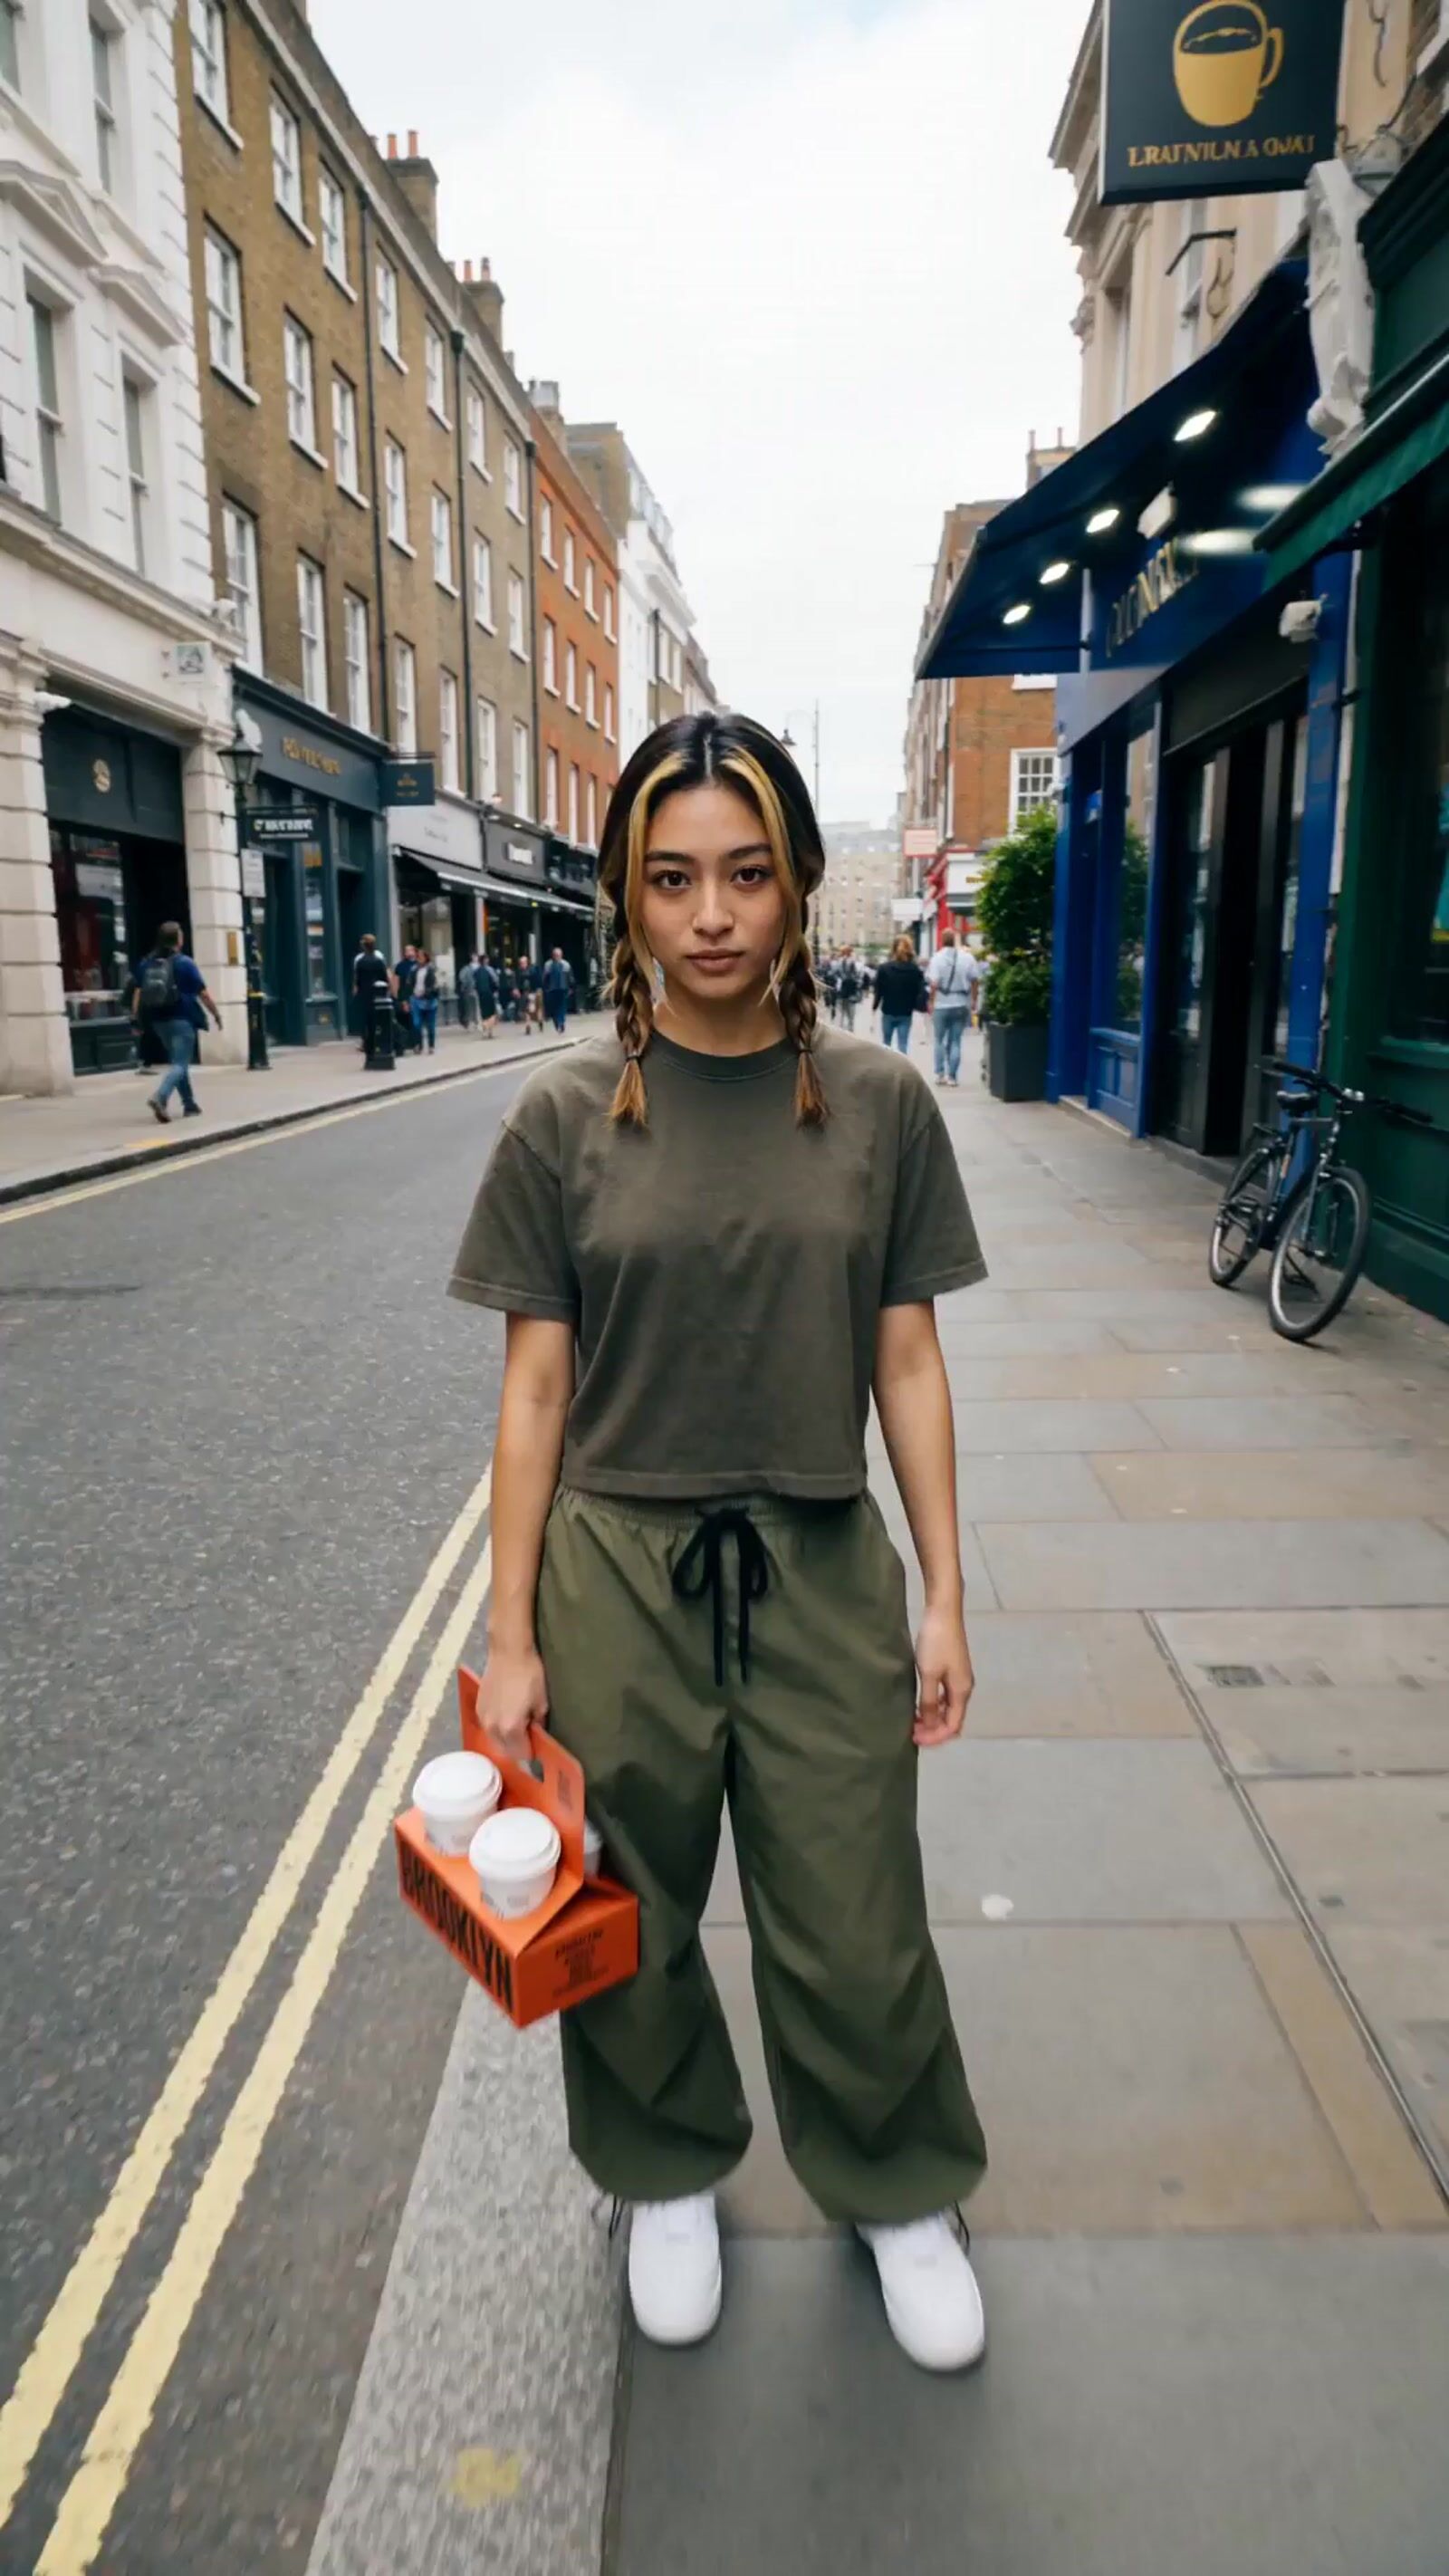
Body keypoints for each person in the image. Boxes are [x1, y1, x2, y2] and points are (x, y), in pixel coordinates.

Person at [452, 710, 989, 2372]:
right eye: (670, 876)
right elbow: (536, 1388)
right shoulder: (560, 1115)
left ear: (801, 882)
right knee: (633, 1903)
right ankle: (667, 2166)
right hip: (616, 1570)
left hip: (823, 1562)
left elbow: (906, 1353)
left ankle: (895, 2181)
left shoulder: (884, 1102)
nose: (710, 914)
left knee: (856, 1906)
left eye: (746, 873)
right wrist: (513, 1627)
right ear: (625, 895)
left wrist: (950, 1588)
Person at [134, 921, 223, 1123]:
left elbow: (138, 993)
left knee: (178, 1062)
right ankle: (160, 1096)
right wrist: (215, 1014)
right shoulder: (184, 963)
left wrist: (136, 1017)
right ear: (178, 940)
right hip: (182, 1018)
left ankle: (189, 1104)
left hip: (158, 1020)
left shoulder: (146, 963)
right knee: (180, 1064)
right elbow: (204, 994)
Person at [927, 933, 976, 1086]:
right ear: (956, 941)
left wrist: (931, 1002)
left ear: (942, 940)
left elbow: (934, 984)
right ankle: (952, 1076)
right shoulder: (967, 958)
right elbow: (975, 980)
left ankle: (940, 1074)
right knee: (955, 1041)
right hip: (961, 1003)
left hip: (941, 1004)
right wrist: (974, 1000)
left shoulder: (936, 958)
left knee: (939, 1040)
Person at [872, 936, 928, 1054]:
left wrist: (875, 1007)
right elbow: (919, 991)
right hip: (906, 1012)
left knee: (886, 1043)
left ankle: (886, 1069)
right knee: (903, 1043)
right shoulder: (915, 970)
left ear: (893, 949)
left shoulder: (884, 968)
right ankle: (902, 1069)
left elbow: (879, 991)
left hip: (888, 1010)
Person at [352, 933, 395, 1060]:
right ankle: (382, 1047)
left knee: (367, 1023)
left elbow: (357, 980)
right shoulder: (379, 961)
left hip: (365, 996)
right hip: (379, 996)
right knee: (381, 1023)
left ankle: (369, 1050)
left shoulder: (360, 962)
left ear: (364, 946)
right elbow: (385, 978)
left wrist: (357, 991)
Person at [542, 946, 575, 1036]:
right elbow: (544, 978)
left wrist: (571, 988)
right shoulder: (548, 965)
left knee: (562, 1007)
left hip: (562, 988)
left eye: (558, 955)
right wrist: (545, 988)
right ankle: (557, 1022)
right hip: (552, 989)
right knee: (553, 1008)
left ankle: (561, 1022)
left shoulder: (565, 965)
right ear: (552, 955)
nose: (557, 957)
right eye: (555, 955)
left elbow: (570, 977)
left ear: (561, 955)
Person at [393, 943, 420, 1052]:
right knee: (406, 1021)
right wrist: (398, 998)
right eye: (406, 951)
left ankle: (416, 1043)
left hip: (417, 997)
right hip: (404, 996)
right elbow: (396, 982)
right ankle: (406, 1043)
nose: (408, 953)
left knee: (416, 1021)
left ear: (415, 952)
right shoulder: (401, 966)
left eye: (410, 950)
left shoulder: (419, 965)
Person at [414, 948, 440, 1053]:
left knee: (430, 1025)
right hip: (416, 999)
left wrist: (427, 992)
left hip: (429, 1000)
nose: (419, 958)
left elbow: (436, 985)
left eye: (421, 956)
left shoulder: (432, 969)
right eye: (418, 956)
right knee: (417, 1024)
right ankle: (419, 1045)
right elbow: (410, 982)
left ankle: (431, 1046)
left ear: (426, 958)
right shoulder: (414, 969)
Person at [836, 946, 862, 1033]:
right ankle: (849, 1027)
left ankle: (847, 1027)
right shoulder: (845, 961)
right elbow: (858, 978)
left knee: (845, 1011)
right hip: (850, 990)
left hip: (846, 990)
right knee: (849, 1011)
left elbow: (856, 976)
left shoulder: (848, 962)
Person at [474, 953, 499, 1039]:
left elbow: (475, 984)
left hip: (481, 994)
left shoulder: (476, 971)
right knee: (492, 1014)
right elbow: (495, 981)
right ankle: (489, 1031)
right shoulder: (489, 970)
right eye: (487, 959)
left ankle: (484, 1031)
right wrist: (495, 990)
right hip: (490, 993)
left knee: (484, 1014)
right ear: (485, 960)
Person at [456, 955, 477, 1031]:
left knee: (474, 1007)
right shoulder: (466, 969)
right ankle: (468, 1023)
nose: (476, 959)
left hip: (475, 990)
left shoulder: (478, 967)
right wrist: (465, 985)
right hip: (468, 991)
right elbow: (462, 978)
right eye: (474, 957)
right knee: (468, 1007)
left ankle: (475, 1022)